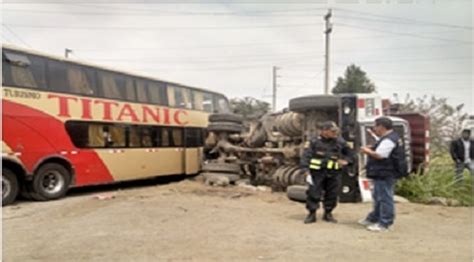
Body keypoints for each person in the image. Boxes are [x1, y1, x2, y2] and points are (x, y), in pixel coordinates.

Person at [300, 121, 353, 224]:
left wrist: (346, 161)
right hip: (317, 173)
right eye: (332, 131)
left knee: (332, 194)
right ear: (324, 131)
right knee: (313, 193)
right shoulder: (314, 142)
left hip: (334, 173)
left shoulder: (340, 142)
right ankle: (312, 213)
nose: (335, 133)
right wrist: (305, 170)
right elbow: (305, 157)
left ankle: (328, 213)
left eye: (336, 131)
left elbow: (351, 154)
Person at [359, 117, 400, 232]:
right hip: (381, 173)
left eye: (376, 126)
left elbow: (380, 155)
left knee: (385, 198)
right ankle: (374, 218)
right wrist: (372, 147)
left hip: (385, 173)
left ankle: (385, 223)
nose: (374, 129)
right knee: (378, 196)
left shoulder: (389, 139)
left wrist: (367, 151)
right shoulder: (388, 138)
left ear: (381, 126)